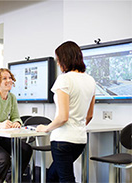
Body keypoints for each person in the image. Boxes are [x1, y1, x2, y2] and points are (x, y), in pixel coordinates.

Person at [36, 41, 96, 182]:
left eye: (58, 60)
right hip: (80, 140)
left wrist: (46, 128)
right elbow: (90, 115)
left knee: (65, 178)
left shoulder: (64, 79)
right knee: (53, 176)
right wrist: (77, 127)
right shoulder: (90, 80)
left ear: (65, 59)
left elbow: (63, 117)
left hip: (62, 140)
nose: (57, 63)